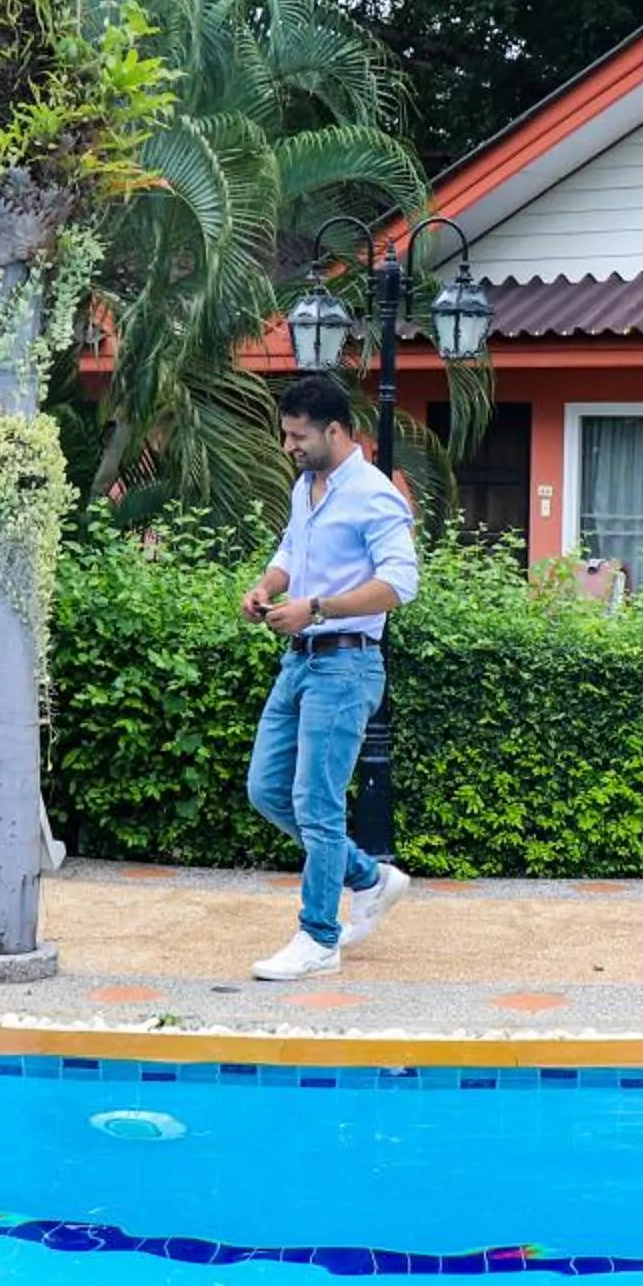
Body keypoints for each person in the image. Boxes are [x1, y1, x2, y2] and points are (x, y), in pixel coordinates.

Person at [237, 373, 418, 980]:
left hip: (345, 664)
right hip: (299, 662)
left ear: (334, 430)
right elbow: (293, 550)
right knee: (267, 790)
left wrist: (314, 608)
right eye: (286, 435)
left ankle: (319, 939)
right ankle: (368, 877)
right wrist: (267, 586)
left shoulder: (374, 494)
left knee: (316, 803)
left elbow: (400, 583)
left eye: (297, 436)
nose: (288, 445)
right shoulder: (306, 487)